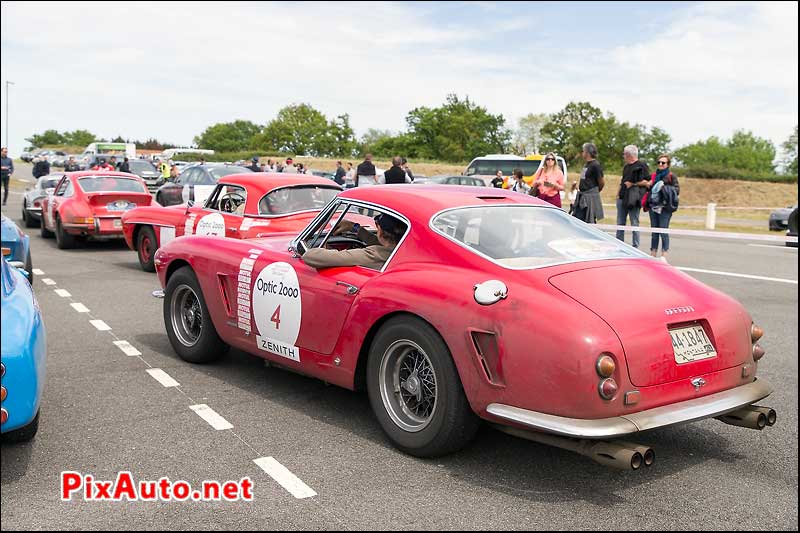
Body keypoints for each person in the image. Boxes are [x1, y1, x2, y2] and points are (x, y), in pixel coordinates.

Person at [302, 213, 406, 270]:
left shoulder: (374, 255)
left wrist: (328, 251)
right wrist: (354, 227)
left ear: (381, 232)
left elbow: (310, 256)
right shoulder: (402, 250)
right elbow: (380, 243)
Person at [616, 145, 651, 248]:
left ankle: (635, 245)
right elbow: (622, 181)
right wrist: (618, 194)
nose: (623, 156)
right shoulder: (626, 167)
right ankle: (619, 244)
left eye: (624, 154)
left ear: (628, 155)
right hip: (622, 197)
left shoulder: (642, 165)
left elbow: (648, 182)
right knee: (620, 222)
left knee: (634, 221)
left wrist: (633, 184)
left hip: (634, 198)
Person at [646, 154, 680, 260]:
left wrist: (663, 187)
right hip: (653, 206)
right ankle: (653, 252)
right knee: (654, 231)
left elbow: (677, 190)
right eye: (659, 162)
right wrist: (650, 185)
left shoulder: (671, 176)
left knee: (663, 230)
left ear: (668, 164)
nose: (660, 164)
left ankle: (664, 253)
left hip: (665, 207)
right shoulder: (654, 175)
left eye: (663, 162)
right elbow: (649, 190)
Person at [572, 143, 605, 223]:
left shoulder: (595, 165)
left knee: (588, 220)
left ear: (587, 153)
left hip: (589, 197)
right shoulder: (586, 164)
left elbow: (601, 182)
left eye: (583, 151)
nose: (582, 153)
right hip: (582, 195)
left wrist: (593, 192)